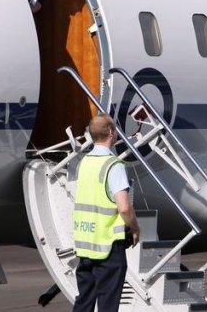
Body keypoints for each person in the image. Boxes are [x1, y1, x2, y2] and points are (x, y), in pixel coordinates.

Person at [72, 113, 140, 312]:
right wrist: (135, 229)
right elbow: (124, 207)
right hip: (108, 246)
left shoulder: (84, 163)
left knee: (84, 302)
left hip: (86, 244)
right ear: (111, 132)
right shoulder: (114, 165)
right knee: (108, 304)